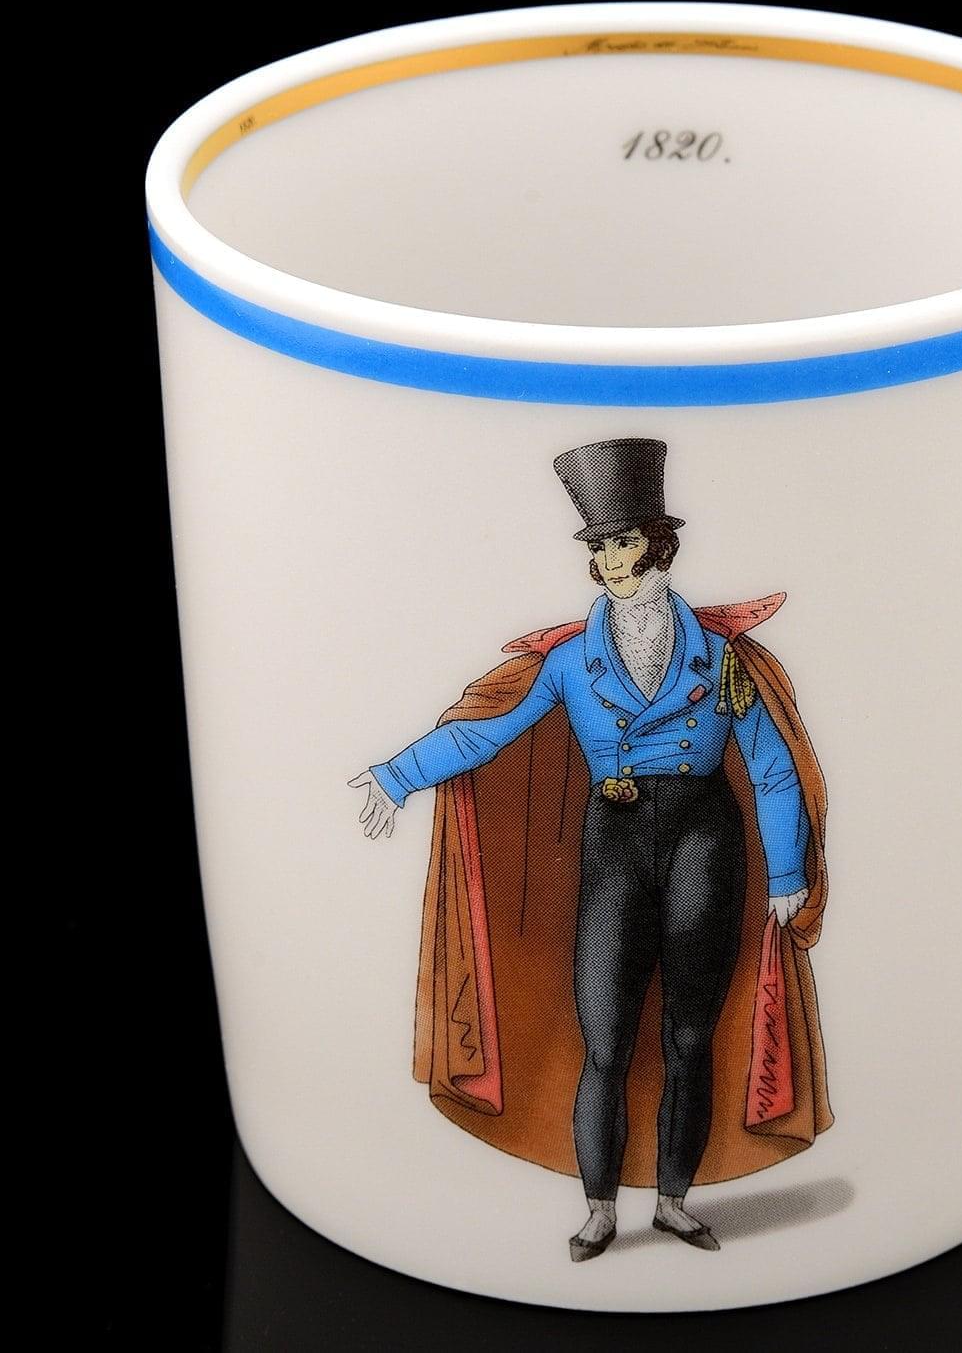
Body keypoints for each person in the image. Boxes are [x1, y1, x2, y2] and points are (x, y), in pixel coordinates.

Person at [348, 438, 827, 1260]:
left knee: (690, 1038)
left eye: (622, 542)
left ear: (659, 547)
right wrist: (397, 775)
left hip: (705, 844)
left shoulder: (721, 657)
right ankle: (600, 1209)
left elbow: (773, 768)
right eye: (598, 547)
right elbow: (487, 733)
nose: (607, 562)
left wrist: (787, 871)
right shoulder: (571, 660)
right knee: (604, 1038)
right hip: (615, 848)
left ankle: (673, 1202)